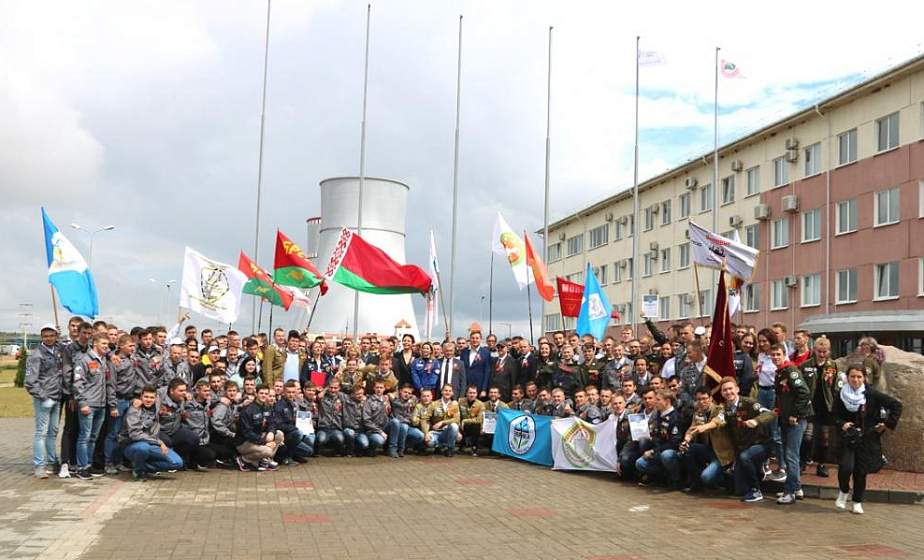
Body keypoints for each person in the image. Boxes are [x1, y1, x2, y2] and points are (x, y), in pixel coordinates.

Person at [833, 366, 902, 515]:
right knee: (845, 467)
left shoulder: (871, 394)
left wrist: (887, 424)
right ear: (847, 377)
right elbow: (834, 415)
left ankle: (857, 501)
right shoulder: (840, 394)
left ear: (864, 378)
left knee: (860, 471)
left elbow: (896, 405)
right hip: (847, 437)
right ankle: (844, 491)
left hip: (866, 438)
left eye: (859, 377)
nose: (856, 380)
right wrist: (842, 424)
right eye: (852, 376)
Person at [719, 377, 776, 503]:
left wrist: (756, 421)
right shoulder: (725, 409)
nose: (728, 392)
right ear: (721, 393)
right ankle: (758, 472)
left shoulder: (749, 403)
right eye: (725, 390)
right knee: (740, 490)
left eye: (730, 389)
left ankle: (756, 491)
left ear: (737, 389)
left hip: (761, 444)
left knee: (746, 457)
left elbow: (770, 413)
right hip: (743, 447)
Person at [770, 343, 812, 505]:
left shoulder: (791, 371)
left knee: (791, 455)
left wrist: (795, 413)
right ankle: (796, 487)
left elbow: (804, 392)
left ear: (784, 354)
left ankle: (790, 492)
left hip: (796, 419)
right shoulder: (780, 372)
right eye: (772, 355)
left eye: (778, 354)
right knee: (791, 455)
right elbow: (782, 395)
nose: (775, 358)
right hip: (786, 418)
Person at [72, 333, 117, 479]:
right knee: (84, 436)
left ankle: (89, 465)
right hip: (88, 405)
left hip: (101, 405)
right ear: (94, 344)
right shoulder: (84, 360)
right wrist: (82, 403)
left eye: (107, 344)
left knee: (93, 437)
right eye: (103, 343)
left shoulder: (104, 360)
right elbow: (78, 383)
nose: (106, 346)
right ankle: (81, 467)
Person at [119, 385, 183, 481]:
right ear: (141, 397)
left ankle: (142, 466)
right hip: (132, 444)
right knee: (143, 448)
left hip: (151, 442)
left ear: (156, 398)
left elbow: (168, 388)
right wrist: (159, 442)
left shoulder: (157, 405)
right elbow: (135, 434)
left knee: (177, 463)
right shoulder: (134, 410)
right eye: (146, 397)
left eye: (152, 397)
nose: (149, 400)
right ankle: (138, 471)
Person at [25, 323, 64, 479]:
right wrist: (44, 397)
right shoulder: (36, 355)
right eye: (45, 336)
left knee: (53, 432)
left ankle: (53, 462)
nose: (49, 339)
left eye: (52, 336)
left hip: (57, 397)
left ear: (55, 336)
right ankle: (39, 466)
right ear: (41, 337)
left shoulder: (58, 350)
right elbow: (30, 382)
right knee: (41, 432)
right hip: (44, 399)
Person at [801, 335, 843, 478]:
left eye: (825, 351)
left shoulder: (833, 365)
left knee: (824, 437)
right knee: (808, 436)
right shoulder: (806, 365)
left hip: (826, 406)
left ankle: (822, 464)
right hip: (810, 405)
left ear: (829, 351)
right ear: (814, 350)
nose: (822, 354)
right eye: (819, 351)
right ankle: (802, 462)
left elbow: (837, 386)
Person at [681, 386, 733, 492]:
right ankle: (696, 483)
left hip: (722, 453)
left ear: (711, 398)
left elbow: (718, 421)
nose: (702, 402)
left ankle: (722, 480)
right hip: (708, 450)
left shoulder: (720, 409)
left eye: (704, 398)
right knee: (689, 449)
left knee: (706, 477)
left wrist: (704, 427)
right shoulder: (698, 413)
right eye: (699, 399)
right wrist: (686, 441)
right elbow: (691, 430)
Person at [104, 334, 139, 474]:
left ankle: (118, 461)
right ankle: (109, 463)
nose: (133, 348)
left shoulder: (132, 359)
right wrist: (112, 405)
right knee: (113, 433)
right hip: (118, 400)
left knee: (123, 434)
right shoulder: (115, 361)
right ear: (121, 346)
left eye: (133, 346)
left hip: (129, 400)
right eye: (130, 346)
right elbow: (111, 384)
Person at [636, 390, 684, 488]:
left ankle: (676, 480)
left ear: (667, 401)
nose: (655, 402)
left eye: (658, 400)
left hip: (672, 451)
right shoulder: (658, 414)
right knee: (640, 463)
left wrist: (653, 451)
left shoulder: (675, 417)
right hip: (658, 449)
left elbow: (674, 442)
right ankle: (660, 477)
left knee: (666, 455)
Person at [235, 384, 283, 471]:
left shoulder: (267, 407)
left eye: (266, 393)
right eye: (261, 393)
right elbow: (247, 433)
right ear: (256, 394)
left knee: (279, 434)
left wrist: (271, 432)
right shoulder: (247, 410)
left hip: (258, 437)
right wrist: (264, 442)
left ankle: (264, 460)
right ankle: (244, 459)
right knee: (268, 451)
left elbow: (272, 422)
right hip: (244, 442)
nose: (264, 395)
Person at [274, 380, 313, 463]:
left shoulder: (294, 404)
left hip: (292, 433)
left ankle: (291, 455)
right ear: (284, 392)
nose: (291, 394)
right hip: (283, 436)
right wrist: (295, 428)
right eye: (288, 392)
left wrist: (305, 424)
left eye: (293, 392)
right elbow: (279, 425)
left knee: (309, 451)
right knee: (298, 433)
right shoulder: (279, 405)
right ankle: (287, 457)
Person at [183, 379, 217, 471]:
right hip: (193, 439)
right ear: (198, 391)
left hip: (205, 440)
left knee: (219, 453)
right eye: (205, 391)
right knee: (209, 455)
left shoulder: (208, 403)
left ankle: (195, 461)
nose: (208, 393)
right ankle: (189, 461)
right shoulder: (188, 404)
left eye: (209, 391)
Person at [422, 384, 461, 457]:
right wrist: (426, 433)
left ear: (452, 393)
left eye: (450, 391)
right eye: (446, 390)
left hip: (447, 432)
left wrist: (442, 422)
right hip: (436, 432)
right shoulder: (434, 404)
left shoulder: (454, 405)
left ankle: (450, 449)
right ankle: (440, 446)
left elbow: (457, 419)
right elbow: (424, 419)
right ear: (442, 392)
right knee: (429, 443)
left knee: (454, 426)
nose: (448, 392)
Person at [209, 381, 241, 467]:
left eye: (234, 391)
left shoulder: (233, 404)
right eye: (229, 391)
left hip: (225, 433)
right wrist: (230, 434)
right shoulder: (222, 405)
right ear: (225, 392)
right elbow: (216, 422)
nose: (232, 393)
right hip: (217, 435)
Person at [387, 384, 422, 457]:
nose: (407, 394)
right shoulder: (395, 399)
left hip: (407, 425)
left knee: (420, 435)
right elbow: (388, 394)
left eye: (409, 393)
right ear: (400, 391)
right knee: (397, 423)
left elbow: (423, 401)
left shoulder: (414, 400)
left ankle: (404, 447)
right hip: (395, 426)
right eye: (405, 392)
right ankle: (393, 449)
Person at [316, 379, 346, 455]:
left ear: (339, 388)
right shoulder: (323, 397)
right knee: (321, 440)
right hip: (323, 428)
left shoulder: (342, 397)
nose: (333, 390)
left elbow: (353, 396)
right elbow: (318, 397)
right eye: (331, 387)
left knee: (340, 439)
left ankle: (334, 452)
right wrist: (325, 389)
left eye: (335, 388)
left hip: (336, 428)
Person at [362, 381, 391, 456]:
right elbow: (366, 420)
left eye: (381, 388)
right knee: (379, 440)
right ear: (374, 388)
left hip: (384, 426)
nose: (379, 389)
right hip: (373, 430)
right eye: (377, 387)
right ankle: (371, 447)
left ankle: (391, 449)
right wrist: (380, 431)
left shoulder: (386, 399)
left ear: (384, 389)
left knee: (395, 423)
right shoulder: (368, 401)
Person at [460, 330, 492, 399]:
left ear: (480, 339)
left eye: (477, 338)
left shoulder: (486, 353)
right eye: (473, 338)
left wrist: (484, 389)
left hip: (479, 388)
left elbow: (487, 372)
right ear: (470, 339)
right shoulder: (464, 352)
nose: (475, 340)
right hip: (466, 387)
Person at [458, 385, 484, 456]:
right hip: (461, 426)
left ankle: (474, 448)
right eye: (470, 393)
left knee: (476, 426)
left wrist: (465, 421)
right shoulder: (460, 401)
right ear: (466, 393)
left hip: (473, 426)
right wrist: (460, 423)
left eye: (474, 393)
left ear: (477, 394)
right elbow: (457, 415)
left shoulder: (481, 404)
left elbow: (479, 420)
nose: (472, 395)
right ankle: (461, 447)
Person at [342, 384, 367, 457]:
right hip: (349, 428)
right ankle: (350, 450)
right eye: (358, 394)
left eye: (362, 393)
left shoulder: (366, 402)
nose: (360, 396)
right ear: (352, 394)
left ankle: (358, 449)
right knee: (350, 433)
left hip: (360, 430)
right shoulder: (346, 401)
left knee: (365, 444)